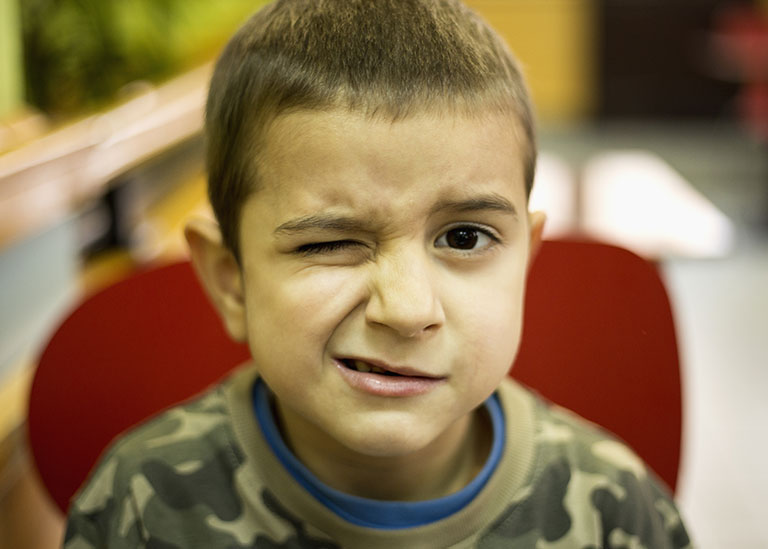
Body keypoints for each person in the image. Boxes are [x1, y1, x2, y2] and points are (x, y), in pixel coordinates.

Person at [63, 1, 692, 547]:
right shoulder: (140, 506)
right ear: (232, 280)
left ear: (525, 260)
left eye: (464, 237)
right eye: (333, 242)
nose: (408, 308)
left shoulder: (616, 514)